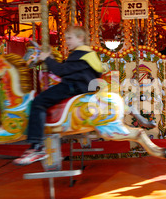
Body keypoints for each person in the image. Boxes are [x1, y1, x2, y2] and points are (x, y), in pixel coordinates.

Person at [13, 26, 104, 165]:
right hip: (80, 86)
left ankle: (37, 147)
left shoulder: (80, 54)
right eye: (66, 38)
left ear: (80, 38)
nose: (66, 41)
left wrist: (47, 59)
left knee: (38, 102)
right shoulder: (87, 54)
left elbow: (61, 71)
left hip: (72, 87)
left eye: (69, 38)